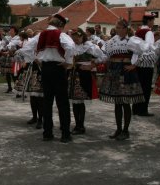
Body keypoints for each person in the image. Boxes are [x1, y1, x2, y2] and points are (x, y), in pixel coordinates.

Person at [19, 14, 75, 143]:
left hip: (45, 69)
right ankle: (65, 134)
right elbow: (71, 47)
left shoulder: (40, 35)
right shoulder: (61, 35)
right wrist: (68, 61)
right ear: (60, 25)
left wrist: (36, 59)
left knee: (47, 101)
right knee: (62, 102)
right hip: (59, 68)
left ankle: (47, 132)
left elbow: (26, 48)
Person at [99, 19, 148, 140]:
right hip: (114, 72)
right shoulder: (111, 41)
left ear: (126, 28)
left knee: (126, 102)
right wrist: (95, 62)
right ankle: (118, 129)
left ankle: (126, 130)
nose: (118, 29)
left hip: (126, 72)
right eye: (117, 27)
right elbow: (105, 56)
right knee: (117, 103)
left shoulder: (132, 40)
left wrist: (134, 65)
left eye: (120, 27)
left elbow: (145, 53)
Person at [68, 28, 106, 135]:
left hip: (84, 75)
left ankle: (80, 125)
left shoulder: (89, 46)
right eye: (74, 38)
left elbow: (103, 57)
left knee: (80, 100)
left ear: (82, 36)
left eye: (78, 38)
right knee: (75, 101)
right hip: (73, 74)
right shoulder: (72, 46)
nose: (76, 40)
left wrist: (92, 65)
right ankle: (77, 125)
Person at [14, 32, 44, 129]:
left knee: (39, 97)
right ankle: (34, 116)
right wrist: (23, 60)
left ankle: (41, 119)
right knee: (32, 96)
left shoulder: (44, 49)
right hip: (30, 70)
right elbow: (20, 53)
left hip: (39, 72)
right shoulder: (30, 47)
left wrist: (39, 62)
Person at [132, 14, 157, 117]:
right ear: (149, 21)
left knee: (138, 86)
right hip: (146, 63)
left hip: (137, 62)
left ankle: (135, 108)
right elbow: (149, 46)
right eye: (153, 21)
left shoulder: (138, 31)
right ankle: (143, 110)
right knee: (146, 87)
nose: (153, 23)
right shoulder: (149, 32)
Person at [1, 26, 21, 93]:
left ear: (15, 32)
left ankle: (17, 88)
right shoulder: (7, 38)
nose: (10, 31)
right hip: (7, 57)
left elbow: (16, 48)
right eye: (10, 30)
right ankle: (9, 87)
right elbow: (3, 46)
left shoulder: (18, 38)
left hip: (14, 57)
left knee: (14, 73)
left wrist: (9, 51)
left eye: (12, 30)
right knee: (7, 73)